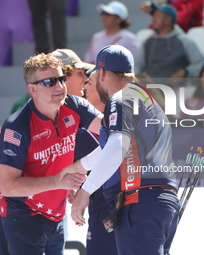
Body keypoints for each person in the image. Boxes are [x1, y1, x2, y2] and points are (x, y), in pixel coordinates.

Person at [61, 45, 179, 255]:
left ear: (103, 73)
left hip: (140, 203)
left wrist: (85, 192)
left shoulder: (121, 97)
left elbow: (117, 146)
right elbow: (112, 148)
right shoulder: (140, 97)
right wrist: (79, 166)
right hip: (157, 203)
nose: (92, 82)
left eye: (94, 75)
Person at [0, 53, 103, 255]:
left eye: (62, 79)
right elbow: (8, 186)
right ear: (32, 89)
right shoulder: (17, 126)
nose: (59, 86)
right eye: (49, 82)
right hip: (22, 214)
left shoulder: (74, 105)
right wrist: (59, 183)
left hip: (56, 211)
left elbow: (112, 131)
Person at [83, 70, 118, 255]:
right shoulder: (82, 126)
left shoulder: (120, 118)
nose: (84, 87)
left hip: (120, 208)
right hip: (98, 207)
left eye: (89, 82)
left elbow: (114, 149)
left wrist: (83, 191)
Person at [135, 3, 204, 87]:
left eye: (158, 16)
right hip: (150, 92)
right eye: (154, 16)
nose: (153, 19)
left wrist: (185, 72)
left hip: (174, 92)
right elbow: (137, 65)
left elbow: (202, 64)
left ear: (168, 20)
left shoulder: (184, 41)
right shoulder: (147, 42)